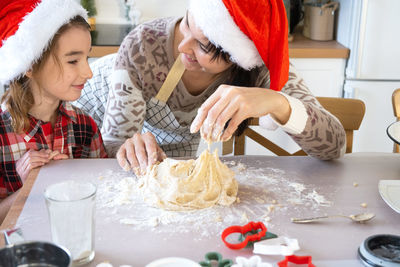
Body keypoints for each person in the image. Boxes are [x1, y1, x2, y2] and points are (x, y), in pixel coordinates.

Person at [75, 0, 346, 175]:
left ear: (239, 57)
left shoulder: (263, 65)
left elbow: (334, 146)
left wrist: (278, 102)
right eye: (186, 24)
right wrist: (130, 147)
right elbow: (115, 145)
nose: (182, 46)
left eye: (203, 45)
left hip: (170, 152)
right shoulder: (144, 45)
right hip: (87, 119)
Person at [0, 0, 108, 222]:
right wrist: (30, 188)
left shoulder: (85, 127)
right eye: (73, 61)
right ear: (30, 64)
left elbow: (105, 198)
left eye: (86, 57)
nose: (88, 72)